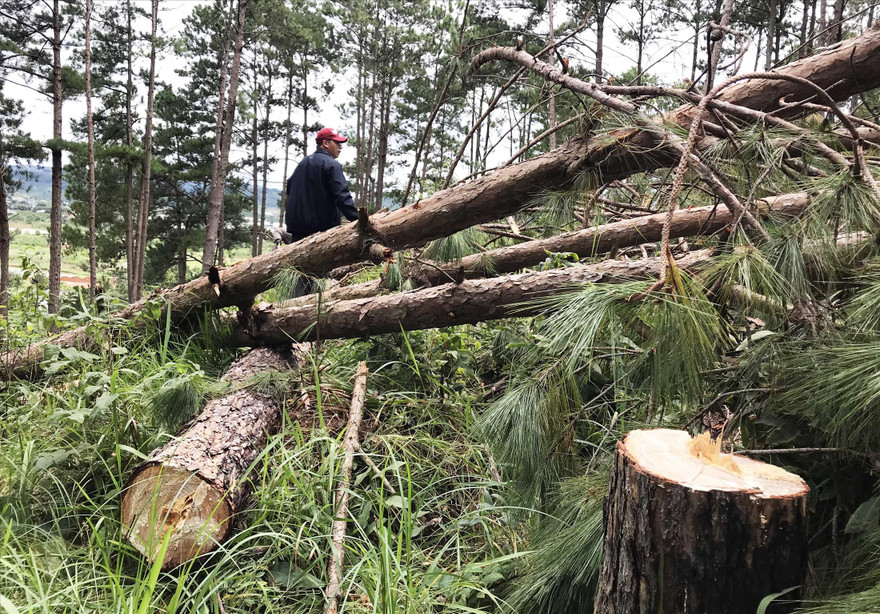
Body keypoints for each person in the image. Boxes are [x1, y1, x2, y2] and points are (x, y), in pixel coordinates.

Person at [284, 127, 358, 242]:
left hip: (297, 230)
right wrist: (358, 219)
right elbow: (342, 196)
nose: (340, 146)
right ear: (325, 143)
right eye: (337, 142)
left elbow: (290, 187)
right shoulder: (332, 165)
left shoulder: (303, 163)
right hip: (322, 231)